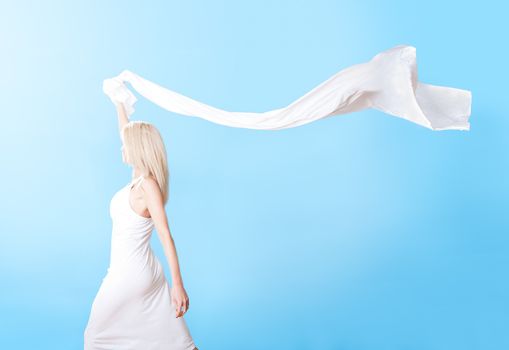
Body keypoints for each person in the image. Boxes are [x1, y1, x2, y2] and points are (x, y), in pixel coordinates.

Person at [84, 103, 199, 350]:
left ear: (137, 149)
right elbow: (125, 130)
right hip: (141, 273)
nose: (121, 147)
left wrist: (177, 284)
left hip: (130, 275)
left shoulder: (147, 185)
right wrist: (117, 102)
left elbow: (165, 235)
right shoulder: (137, 182)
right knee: (176, 342)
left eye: (126, 145)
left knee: (95, 338)